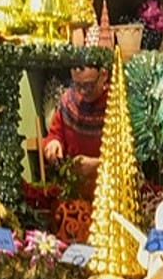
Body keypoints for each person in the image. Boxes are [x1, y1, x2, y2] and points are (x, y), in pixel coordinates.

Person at [40, 64, 111, 195]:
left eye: (89, 85)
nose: (83, 91)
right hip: (73, 191)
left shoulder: (115, 106)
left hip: (109, 192)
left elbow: (129, 158)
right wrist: (53, 143)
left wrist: (97, 165)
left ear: (103, 75)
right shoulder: (68, 101)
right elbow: (55, 134)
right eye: (78, 85)